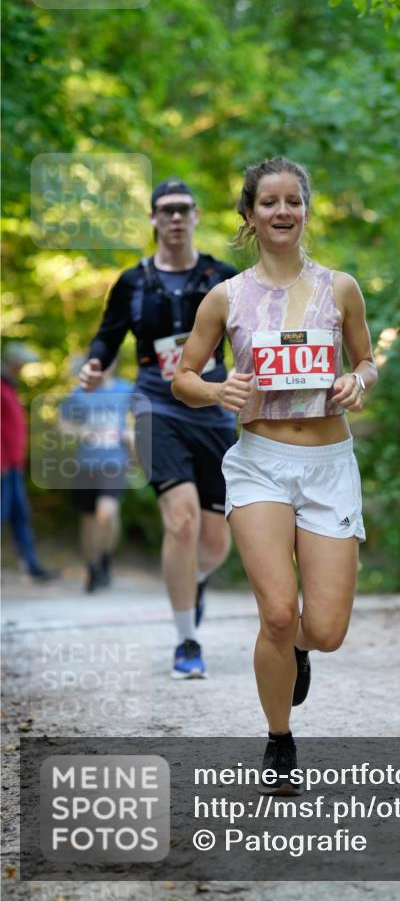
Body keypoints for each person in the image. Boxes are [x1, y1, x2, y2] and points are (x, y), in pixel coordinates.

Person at [172, 157, 376, 792]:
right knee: (279, 613)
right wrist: (217, 392)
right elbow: (182, 377)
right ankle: (279, 739)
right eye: (269, 202)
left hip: (328, 463)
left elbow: (368, 361)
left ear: (306, 210)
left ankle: (301, 654)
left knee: (326, 630)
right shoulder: (224, 296)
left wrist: (356, 381)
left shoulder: (340, 288)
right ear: (249, 214)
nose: (282, 211)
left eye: (293, 201)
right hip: (260, 463)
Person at [79, 179, 238, 677]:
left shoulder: (223, 276)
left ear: (195, 215)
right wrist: (93, 365)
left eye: (183, 209)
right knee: (182, 519)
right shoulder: (132, 282)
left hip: (215, 408)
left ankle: (190, 584)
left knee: (215, 543)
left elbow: (253, 337)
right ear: (152, 219)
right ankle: (186, 640)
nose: (174, 218)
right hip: (155, 406)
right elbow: (106, 339)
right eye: (165, 210)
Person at [60, 359, 134, 592]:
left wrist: (132, 436)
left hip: (115, 462)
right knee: (89, 520)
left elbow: (142, 418)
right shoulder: (79, 392)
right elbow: (63, 424)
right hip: (86, 464)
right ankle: (92, 567)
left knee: (107, 513)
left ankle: (105, 556)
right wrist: (81, 431)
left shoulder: (126, 389)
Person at [1, 343, 59, 582]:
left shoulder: (10, 387)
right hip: (3, 465)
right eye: (23, 363)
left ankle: (32, 566)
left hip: (14, 466)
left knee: (20, 516)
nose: (25, 367)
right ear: (15, 362)